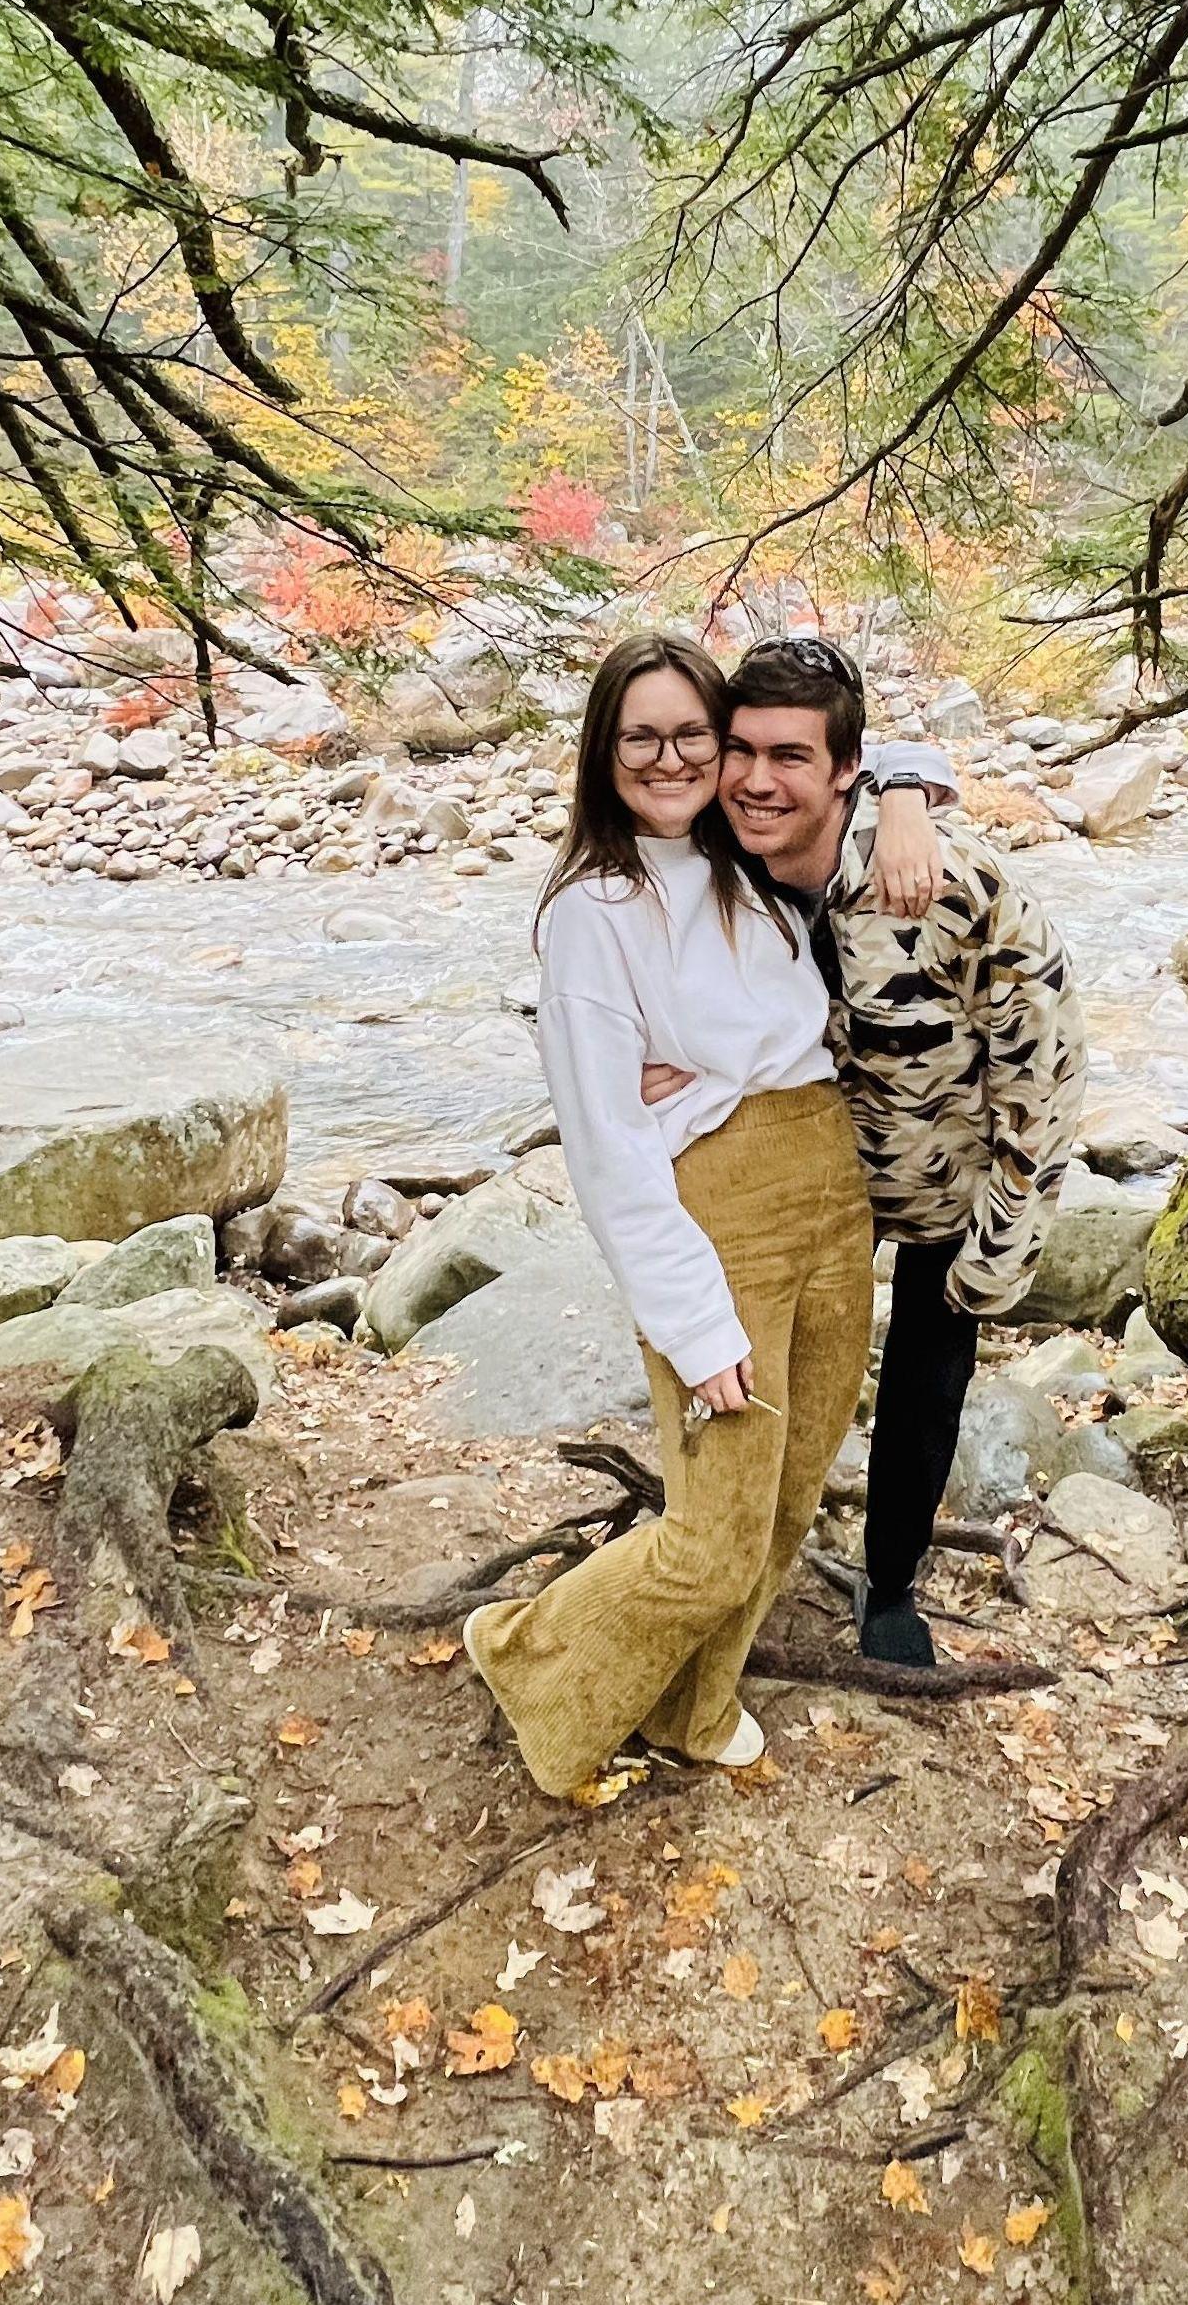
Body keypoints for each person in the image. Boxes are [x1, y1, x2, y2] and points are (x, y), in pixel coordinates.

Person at [462, 632, 904, 1794]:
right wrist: (697, 1325)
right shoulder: (590, 914)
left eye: (689, 735)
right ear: (603, 752)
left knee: (788, 1498)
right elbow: (606, 1145)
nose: (668, 758)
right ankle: (521, 1651)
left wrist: (910, 794)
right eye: (639, 735)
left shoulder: (741, 868)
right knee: (711, 1539)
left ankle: (696, 1710)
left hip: (830, 1198)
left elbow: (777, 1035)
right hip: (723, 1225)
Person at [711, 637, 1087, 1669]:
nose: (755, 779)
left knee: (926, 1384)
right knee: (761, 1364)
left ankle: (891, 1585)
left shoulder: (946, 885)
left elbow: (1041, 1059)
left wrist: (1001, 1245)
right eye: (740, 751)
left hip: (945, 1183)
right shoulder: (719, 860)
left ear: (845, 770)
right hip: (806, 1182)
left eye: (790, 756)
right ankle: (728, 1552)